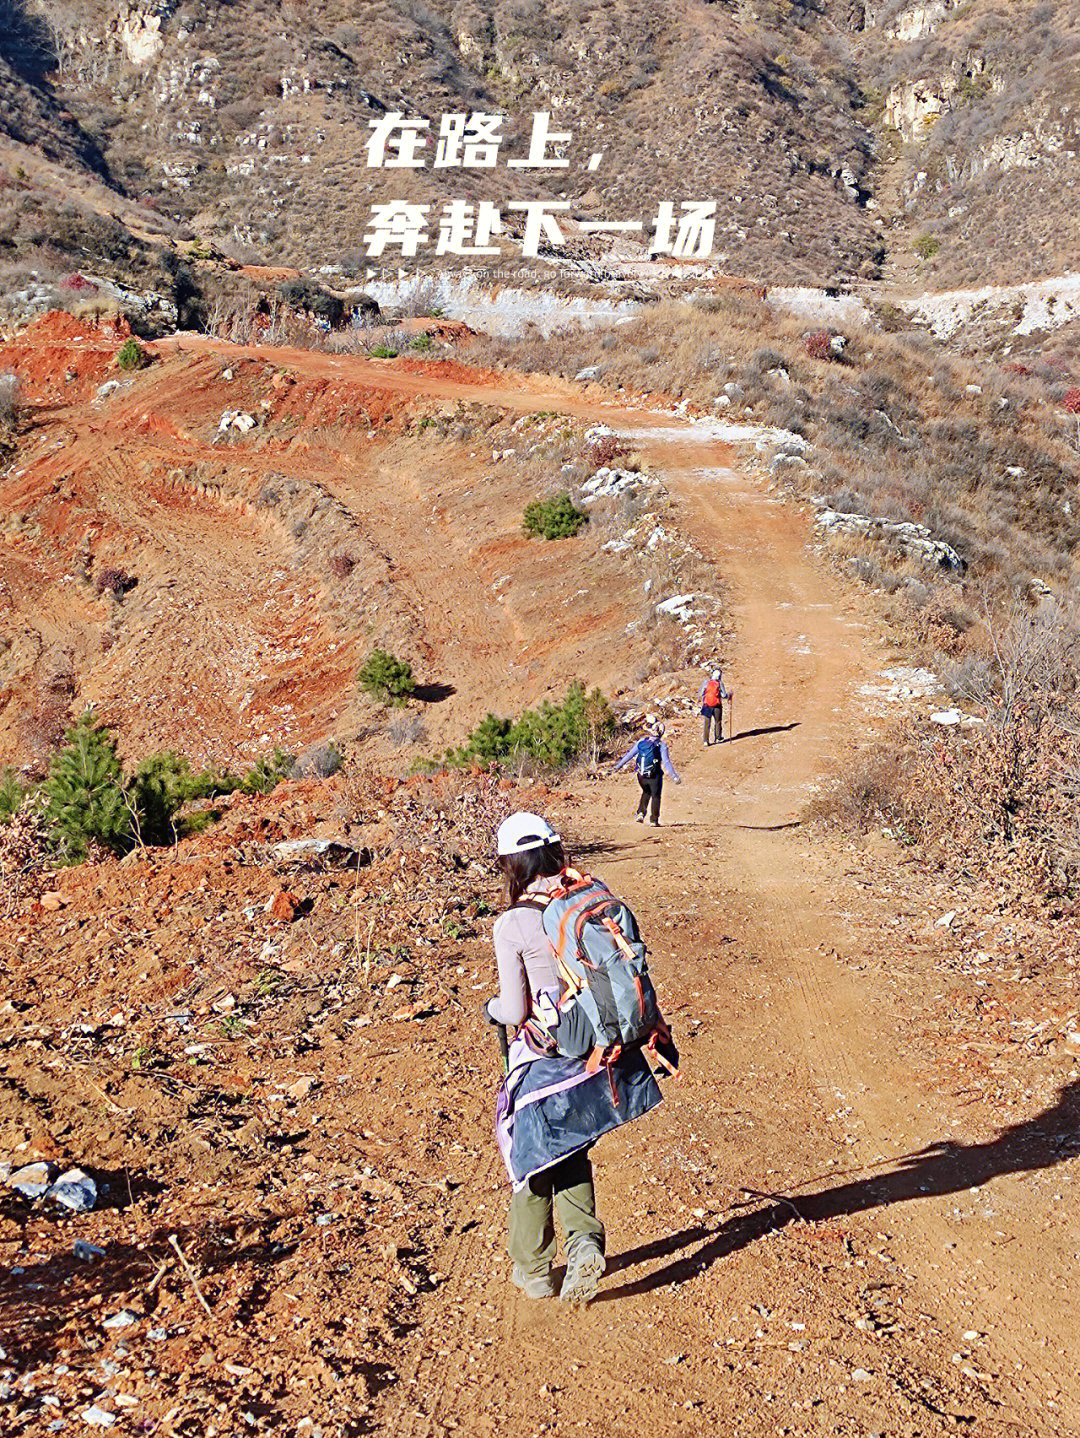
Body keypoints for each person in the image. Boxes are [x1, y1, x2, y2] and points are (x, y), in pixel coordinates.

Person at [482, 812, 665, 1305]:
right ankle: (583, 1244)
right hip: (600, 1047)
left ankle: (534, 1269)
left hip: (549, 1049)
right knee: (570, 1146)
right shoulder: (586, 894)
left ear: (511, 864)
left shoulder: (512, 922)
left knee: (531, 1155)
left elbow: (515, 1007)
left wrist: (491, 1009)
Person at [611, 717, 681, 825]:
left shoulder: (641, 742)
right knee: (656, 795)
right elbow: (666, 762)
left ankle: (640, 813)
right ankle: (654, 820)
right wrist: (674, 776)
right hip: (654, 775)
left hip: (641, 776)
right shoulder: (661, 745)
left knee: (646, 791)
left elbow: (629, 755)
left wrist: (617, 767)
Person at [699, 668, 731, 747]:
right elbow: (724, 695)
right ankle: (718, 738)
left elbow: (700, 694)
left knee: (707, 723)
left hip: (707, 705)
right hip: (717, 706)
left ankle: (706, 741)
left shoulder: (706, 682)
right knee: (718, 721)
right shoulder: (720, 683)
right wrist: (729, 695)